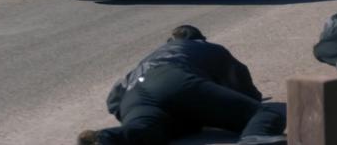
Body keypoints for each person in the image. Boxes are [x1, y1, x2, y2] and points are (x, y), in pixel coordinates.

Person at [78, 25, 286, 145]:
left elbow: (113, 102)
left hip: (133, 96)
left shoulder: (152, 56)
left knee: (147, 131)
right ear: (200, 38)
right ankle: (254, 139)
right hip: (175, 79)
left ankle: (105, 138)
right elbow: (245, 90)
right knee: (265, 114)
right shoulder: (207, 48)